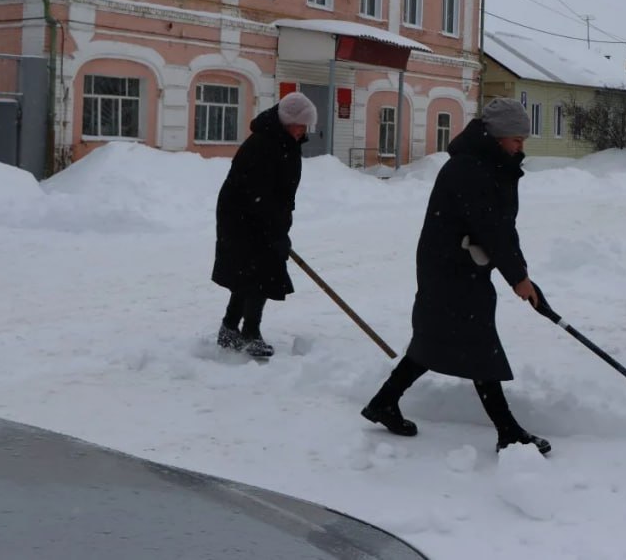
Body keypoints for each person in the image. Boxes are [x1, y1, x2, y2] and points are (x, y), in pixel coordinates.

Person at [361, 97, 550, 455]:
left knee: (435, 338)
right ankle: (508, 430)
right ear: (498, 136)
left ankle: (383, 402)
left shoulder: (490, 163)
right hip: (450, 267)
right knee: (479, 343)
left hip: (458, 265)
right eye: (517, 140)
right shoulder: (471, 169)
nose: (520, 147)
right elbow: (492, 228)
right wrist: (517, 278)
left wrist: (521, 274)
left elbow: (503, 228)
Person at [211, 91, 317, 359]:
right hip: (244, 219)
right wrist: (274, 231)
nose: (303, 131)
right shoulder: (265, 144)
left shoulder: (284, 141)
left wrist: (279, 227)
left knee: (252, 275)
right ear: (287, 122)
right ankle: (247, 332)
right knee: (257, 276)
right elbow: (259, 193)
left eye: (305, 126)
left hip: (259, 217)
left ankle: (231, 329)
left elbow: (280, 193)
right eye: (300, 125)